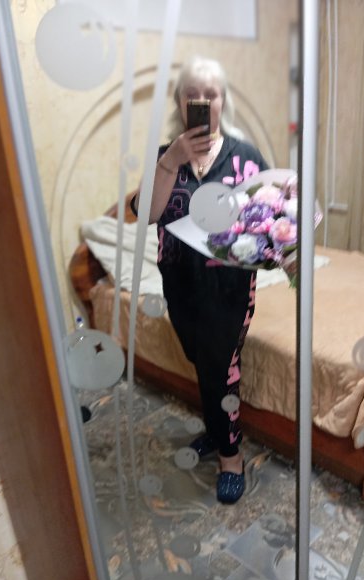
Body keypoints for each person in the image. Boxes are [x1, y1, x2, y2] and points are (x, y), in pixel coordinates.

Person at [131, 55, 269, 504]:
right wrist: (171, 161)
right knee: (202, 362)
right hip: (179, 283)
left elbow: (268, 217)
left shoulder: (245, 156)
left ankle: (231, 456)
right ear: (179, 100)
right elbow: (146, 213)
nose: (203, 101)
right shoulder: (164, 156)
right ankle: (216, 428)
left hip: (229, 287)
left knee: (221, 368)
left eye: (212, 94)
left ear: (223, 101)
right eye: (193, 94)